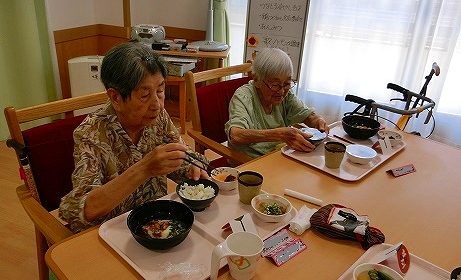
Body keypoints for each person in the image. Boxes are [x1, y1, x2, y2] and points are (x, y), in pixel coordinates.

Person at [59, 42, 209, 233]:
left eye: (161, 90)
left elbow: (181, 160)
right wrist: (144, 168)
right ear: (115, 98)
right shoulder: (91, 133)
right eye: (145, 94)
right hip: (111, 233)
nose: (157, 104)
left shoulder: (158, 117)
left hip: (158, 226)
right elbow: (82, 209)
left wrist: (191, 168)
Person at [225, 48, 330, 158]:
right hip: (248, 161)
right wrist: (280, 134)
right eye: (275, 85)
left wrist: (318, 121)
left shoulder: (286, 94)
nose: (281, 91)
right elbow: (236, 136)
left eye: (287, 83)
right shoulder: (244, 97)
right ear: (256, 80)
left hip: (280, 155)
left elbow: (307, 115)